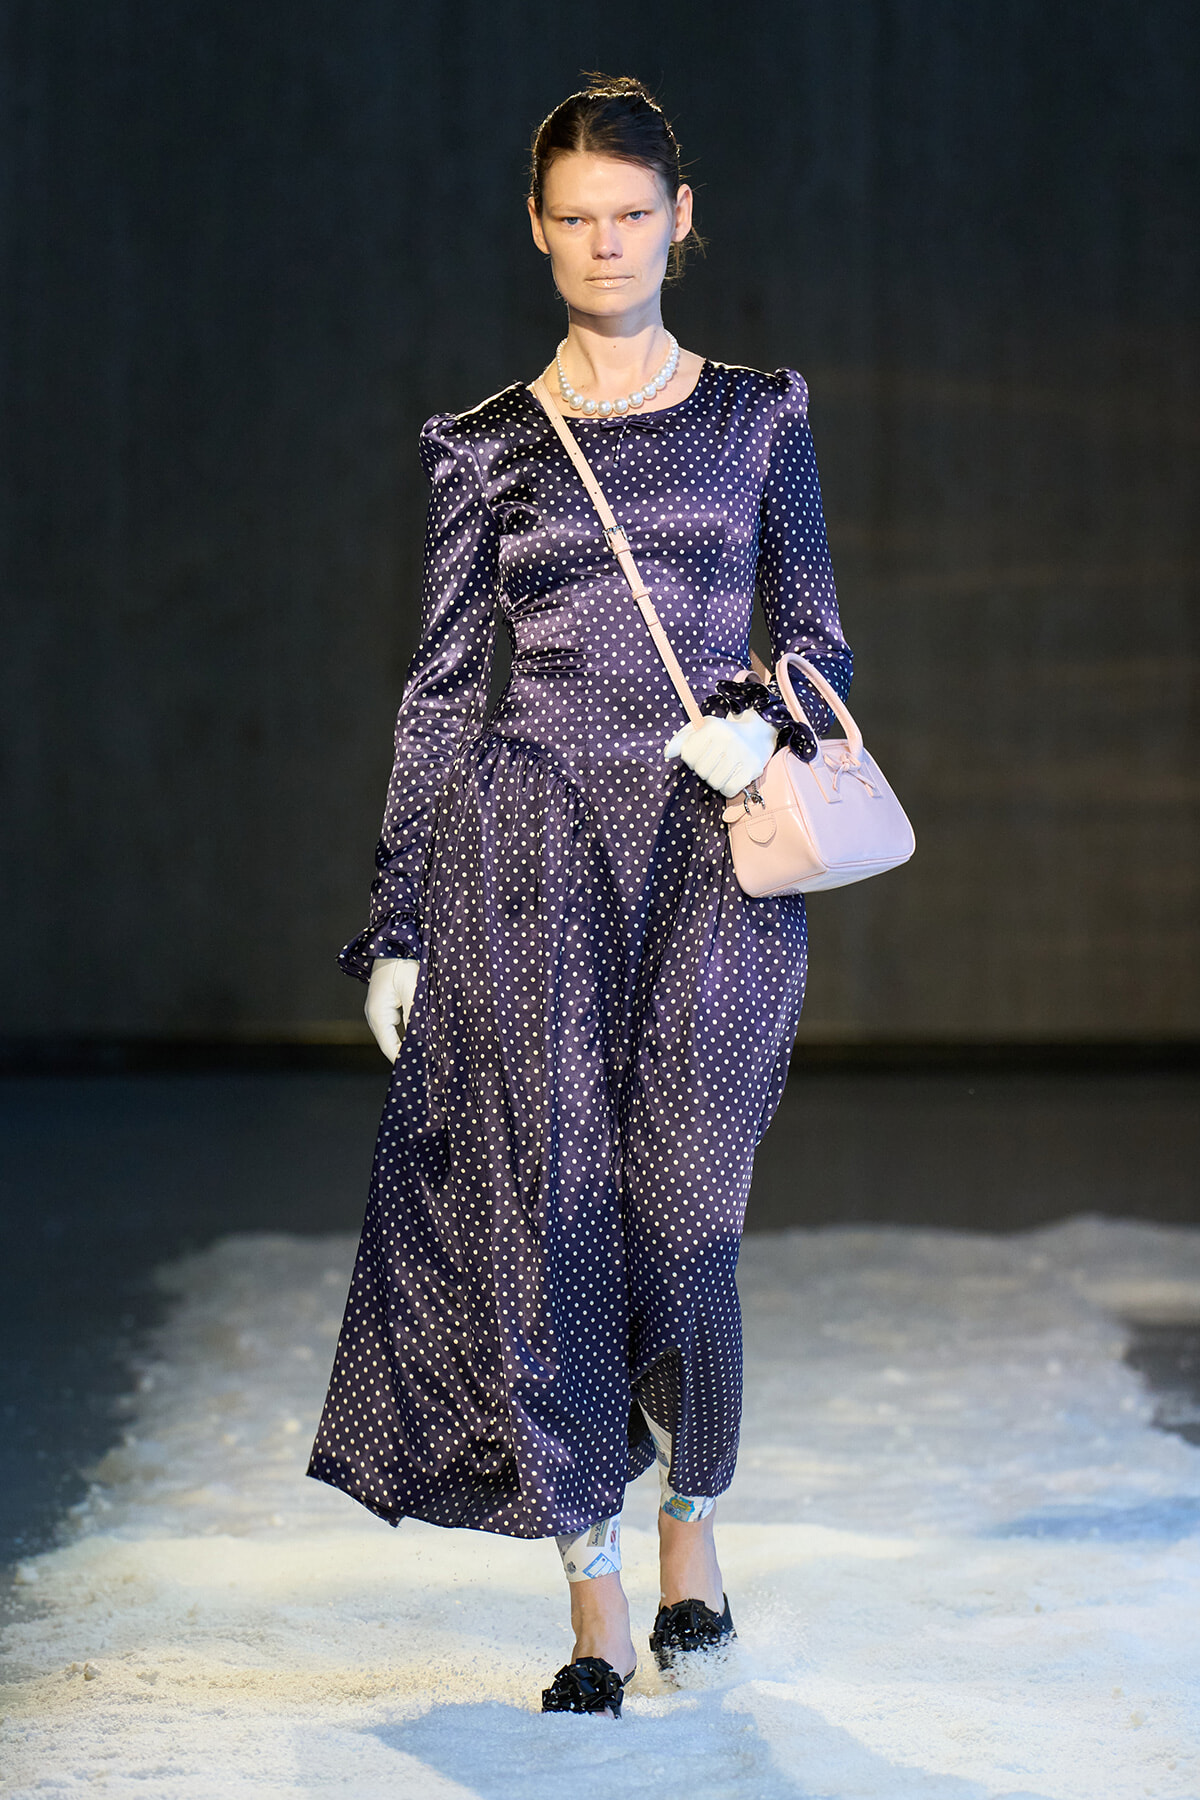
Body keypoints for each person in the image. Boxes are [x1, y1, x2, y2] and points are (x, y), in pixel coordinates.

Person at [307, 73, 852, 1719]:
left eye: (634, 214)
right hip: (525, 861)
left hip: (707, 853)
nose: (606, 244)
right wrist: (401, 917)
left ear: (683, 222)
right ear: (537, 234)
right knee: (551, 1234)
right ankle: (597, 1594)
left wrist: (768, 709)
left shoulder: (760, 415)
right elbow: (441, 687)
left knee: (685, 1215)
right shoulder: (487, 447)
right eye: (576, 220)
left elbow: (817, 629)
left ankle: (694, 1519)